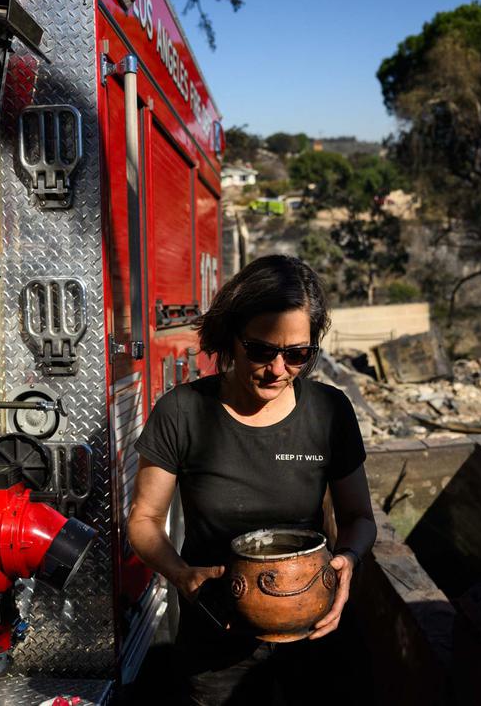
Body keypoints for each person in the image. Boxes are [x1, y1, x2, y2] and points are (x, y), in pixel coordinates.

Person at [127, 255, 376, 705]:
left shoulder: (329, 412)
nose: (278, 369)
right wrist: (181, 575)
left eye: (298, 355)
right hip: (215, 629)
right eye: (261, 350)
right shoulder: (181, 412)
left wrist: (349, 562)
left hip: (314, 620)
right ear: (231, 336)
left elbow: (358, 516)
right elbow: (144, 519)